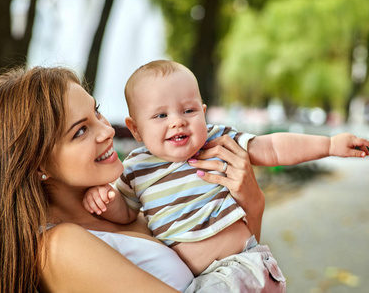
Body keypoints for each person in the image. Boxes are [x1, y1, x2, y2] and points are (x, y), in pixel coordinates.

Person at [0, 66, 266, 292]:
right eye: (81, 131)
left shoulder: (126, 204)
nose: (107, 131)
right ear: (37, 166)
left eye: (96, 112)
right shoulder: (60, 247)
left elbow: (236, 266)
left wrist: (252, 202)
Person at [83, 60, 369, 290]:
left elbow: (272, 147)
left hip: (241, 266)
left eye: (189, 110)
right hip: (201, 282)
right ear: (135, 130)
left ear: (204, 114)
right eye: (161, 116)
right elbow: (126, 213)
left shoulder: (218, 141)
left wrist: (330, 145)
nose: (178, 121)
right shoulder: (135, 168)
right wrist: (105, 199)